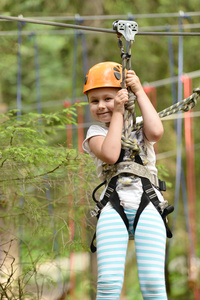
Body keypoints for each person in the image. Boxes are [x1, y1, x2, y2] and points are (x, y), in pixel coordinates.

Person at [82, 61, 169, 299]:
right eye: (94, 101)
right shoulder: (95, 133)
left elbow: (156, 132)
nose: (101, 106)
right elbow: (111, 154)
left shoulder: (139, 128)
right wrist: (118, 112)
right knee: (109, 282)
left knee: (152, 281)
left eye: (108, 98)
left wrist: (139, 92)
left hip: (148, 203)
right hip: (113, 206)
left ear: (122, 96)